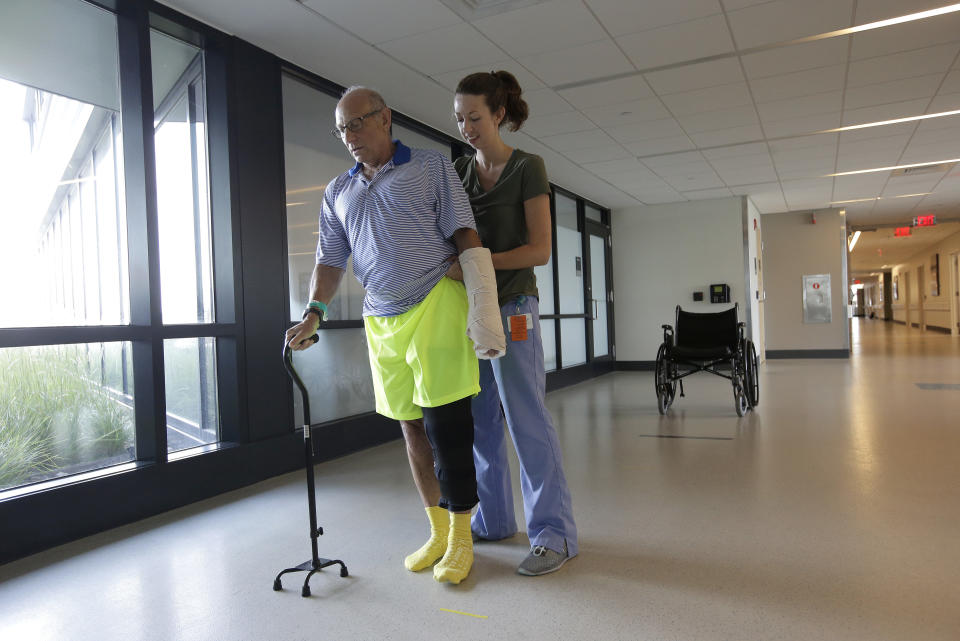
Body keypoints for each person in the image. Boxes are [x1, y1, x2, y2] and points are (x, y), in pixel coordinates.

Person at [285, 86, 505, 585]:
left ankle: (464, 534)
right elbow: (329, 259)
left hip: (434, 303)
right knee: (409, 426)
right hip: (380, 319)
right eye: (342, 129)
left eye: (357, 123)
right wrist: (314, 313)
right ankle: (437, 530)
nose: (350, 136)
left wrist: (482, 303)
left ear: (385, 118)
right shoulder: (337, 191)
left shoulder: (430, 167)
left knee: (447, 427)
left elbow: (465, 234)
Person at [450, 71, 578, 576]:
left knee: (526, 417)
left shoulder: (528, 167)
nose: (466, 127)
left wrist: (477, 261)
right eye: (459, 118)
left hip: (515, 309)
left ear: (499, 114)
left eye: (475, 117)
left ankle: (555, 534)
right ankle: (495, 519)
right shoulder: (460, 172)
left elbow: (539, 250)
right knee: (481, 421)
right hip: (473, 313)